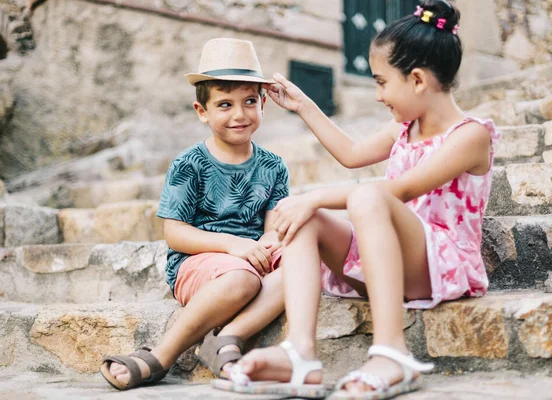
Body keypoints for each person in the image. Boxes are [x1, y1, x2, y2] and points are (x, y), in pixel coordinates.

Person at [214, 1, 501, 399]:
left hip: (439, 264)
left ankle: (391, 352)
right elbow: (350, 154)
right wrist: (303, 106)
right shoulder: (405, 128)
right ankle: (300, 353)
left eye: (382, 82)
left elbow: (396, 192)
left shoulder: (470, 136)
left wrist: (316, 197)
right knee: (305, 218)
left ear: (417, 80)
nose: (379, 95)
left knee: (366, 196)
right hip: (389, 256)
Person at [99, 38, 292, 391]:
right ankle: (161, 355)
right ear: (202, 111)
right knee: (243, 279)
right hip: (200, 262)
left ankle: (228, 338)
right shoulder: (190, 165)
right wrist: (234, 247)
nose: (239, 114)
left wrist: (268, 242)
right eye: (224, 104)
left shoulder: (273, 166)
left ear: (263, 104)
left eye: (250, 101)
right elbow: (176, 233)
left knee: (303, 261)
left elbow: (272, 227)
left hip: (251, 258)